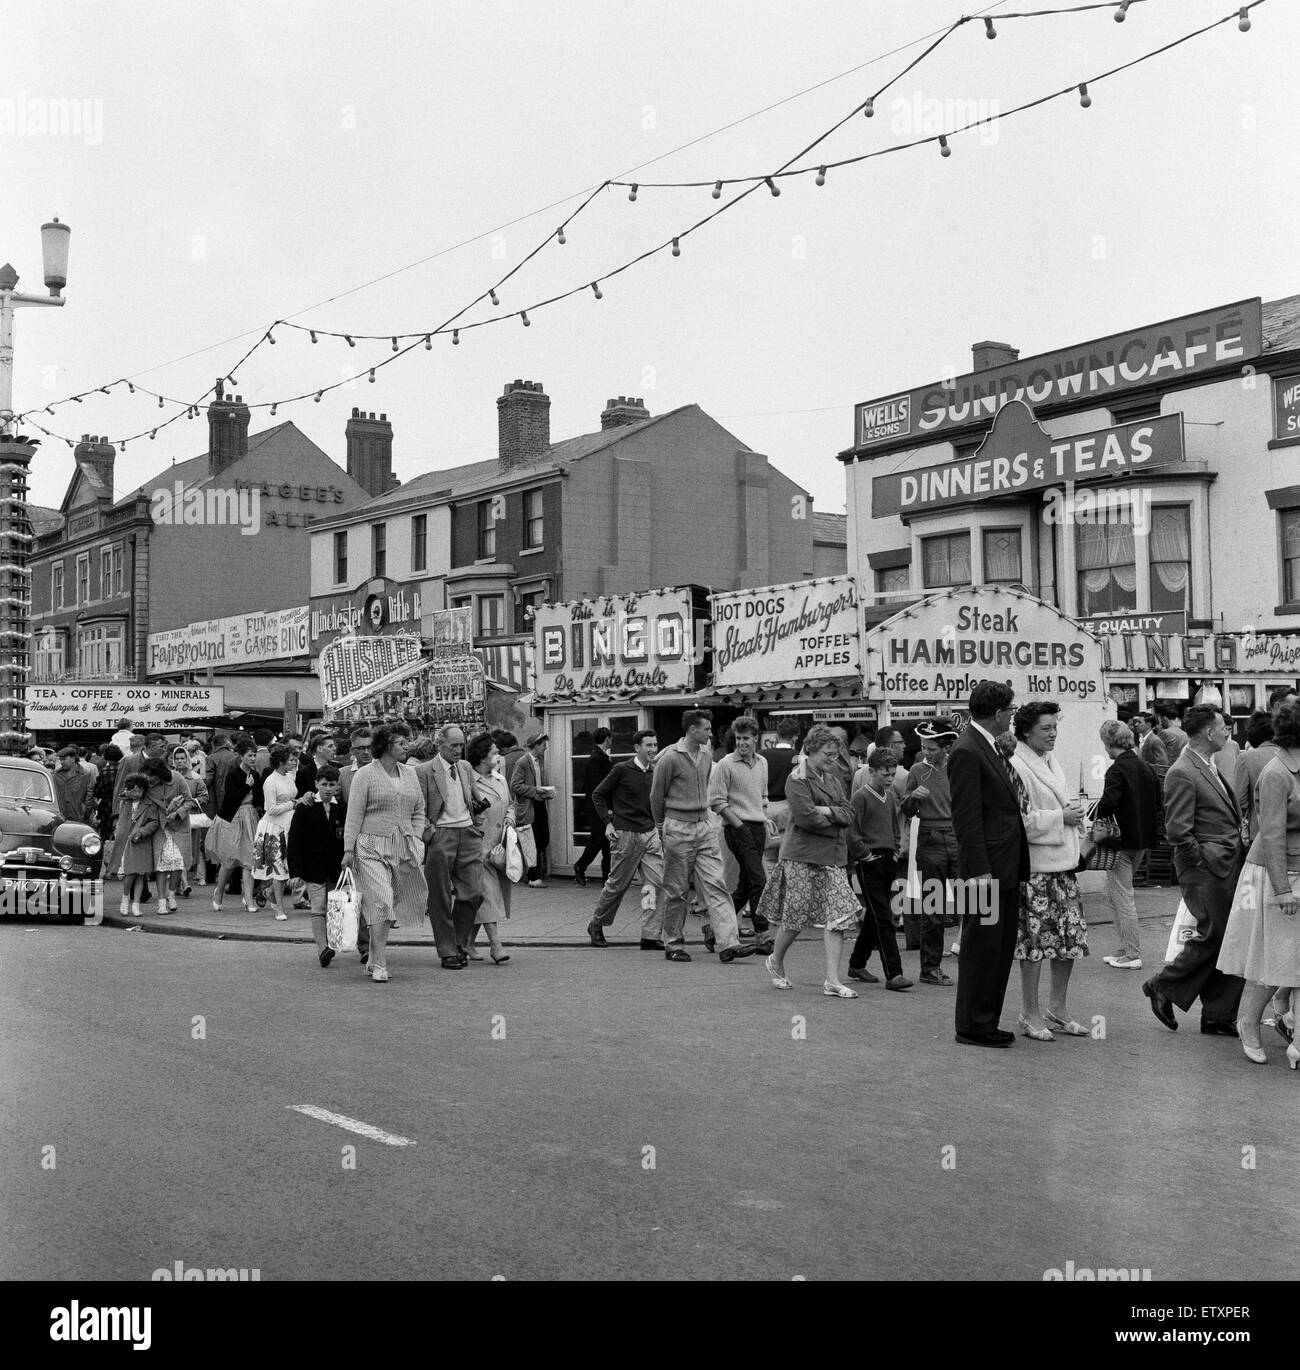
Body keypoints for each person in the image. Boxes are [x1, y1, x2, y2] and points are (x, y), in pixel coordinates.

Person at [1142, 705, 1245, 1037]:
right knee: (1215, 933)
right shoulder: (1182, 771)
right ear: (1208, 732)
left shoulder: (1207, 765)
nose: (1228, 731)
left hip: (1224, 863)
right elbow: (1178, 830)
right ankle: (1163, 985)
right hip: (1206, 867)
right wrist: (1201, 860)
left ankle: (1218, 1014)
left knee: (1230, 936)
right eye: (1222, 726)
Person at [1217, 700, 1300, 1066]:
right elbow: (1272, 836)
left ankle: (1284, 1014)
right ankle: (1248, 1022)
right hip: (1275, 871)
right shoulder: (1277, 773)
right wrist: (1282, 888)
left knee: (1290, 958)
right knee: (1274, 957)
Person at [950, 680, 1031, 1049]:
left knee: (998, 948)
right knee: (981, 948)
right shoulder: (968, 750)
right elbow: (966, 819)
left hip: (1004, 866)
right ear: (999, 714)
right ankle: (972, 1025)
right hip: (984, 871)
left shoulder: (988, 746)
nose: (1013, 717)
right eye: (1011, 711)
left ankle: (986, 1020)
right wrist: (980, 870)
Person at [756, 723, 863, 996]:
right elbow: (806, 818)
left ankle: (832, 981)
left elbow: (849, 812)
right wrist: (836, 819)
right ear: (812, 749)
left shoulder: (833, 779)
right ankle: (776, 960)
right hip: (802, 856)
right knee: (795, 918)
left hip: (832, 857)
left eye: (835, 754)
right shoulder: (797, 778)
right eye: (828, 753)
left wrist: (827, 810)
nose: (832, 759)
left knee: (839, 915)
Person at [1006, 702, 1089, 1041]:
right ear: (1026, 731)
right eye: (1046, 728)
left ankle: (1058, 1007)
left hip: (1063, 866)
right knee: (1035, 944)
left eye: (1055, 727)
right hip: (1037, 867)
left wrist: (1068, 813)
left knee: (1069, 940)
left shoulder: (1049, 761)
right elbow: (1018, 820)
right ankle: (1029, 1012)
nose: (1053, 733)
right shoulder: (1015, 764)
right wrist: (1061, 818)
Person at [651, 708, 753, 964]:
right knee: (677, 890)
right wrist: (661, 827)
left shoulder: (706, 754)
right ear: (692, 730)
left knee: (717, 885)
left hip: (703, 826)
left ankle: (729, 942)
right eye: (706, 729)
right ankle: (673, 943)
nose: (711, 733)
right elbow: (656, 796)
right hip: (678, 827)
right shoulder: (669, 758)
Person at [342, 723, 428, 983]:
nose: (406, 747)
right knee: (381, 899)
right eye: (401, 743)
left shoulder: (410, 774)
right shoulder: (365, 775)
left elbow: (419, 810)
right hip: (369, 845)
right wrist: (348, 849)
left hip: (402, 847)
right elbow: (354, 814)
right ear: (387, 746)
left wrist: (416, 838)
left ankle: (371, 958)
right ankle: (380, 963)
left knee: (389, 902)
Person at [586, 729, 667, 949]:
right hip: (626, 835)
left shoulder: (655, 772)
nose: (653, 749)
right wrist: (608, 823)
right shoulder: (621, 769)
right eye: (648, 745)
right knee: (617, 886)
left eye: (655, 745)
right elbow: (598, 795)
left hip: (650, 834)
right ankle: (597, 924)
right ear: (637, 748)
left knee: (656, 884)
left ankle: (650, 935)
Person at [1095, 720, 1161, 971]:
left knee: (1121, 897)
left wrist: (1100, 815)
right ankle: (1124, 948)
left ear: (1110, 743)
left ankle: (1132, 953)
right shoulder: (1146, 767)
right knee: (1112, 894)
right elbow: (1157, 804)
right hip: (1142, 839)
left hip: (1120, 842)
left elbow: (1108, 804)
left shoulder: (1116, 770)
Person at [416, 724, 483, 971]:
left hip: (467, 832)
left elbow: (472, 798)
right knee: (440, 896)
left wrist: (476, 820)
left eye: (461, 745)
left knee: (474, 892)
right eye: (453, 745)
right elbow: (417, 809)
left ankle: (456, 942)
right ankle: (447, 950)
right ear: (439, 743)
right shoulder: (423, 771)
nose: (458, 750)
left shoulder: (465, 767)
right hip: (440, 835)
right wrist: (429, 834)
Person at [898, 719, 960, 987]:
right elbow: (907, 809)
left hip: (957, 836)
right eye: (924, 747)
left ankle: (974, 961)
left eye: (932, 748)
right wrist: (913, 798)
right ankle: (930, 968)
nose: (926, 752)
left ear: (946, 746)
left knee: (974, 902)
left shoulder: (959, 768)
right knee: (933, 907)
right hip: (931, 838)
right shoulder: (916, 769)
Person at [846, 748, 912, 990]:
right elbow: (852, 831)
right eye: (885, 774)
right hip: (869, 861)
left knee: (876, 915)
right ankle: (894, 973)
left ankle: (857, 963)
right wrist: (863, 854)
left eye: (892, 774)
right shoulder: (860, 797)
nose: (889, 778)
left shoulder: (891, 796)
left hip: (887, 859)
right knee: (884, 916)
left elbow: (895, 826)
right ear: (871, 771)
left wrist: (896, 850)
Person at [708, 715, 775, 947]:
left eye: (746, 738)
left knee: (747, 884)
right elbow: (716, 801)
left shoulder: (763, 763)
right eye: (738, 738)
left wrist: (764, 815)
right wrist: (738, 824)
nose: (742, 743)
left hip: (758, 827)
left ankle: (714, 928)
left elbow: (763, 794)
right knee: (759, 880)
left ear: (756, 738)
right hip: (737, 828)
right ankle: (763, 935)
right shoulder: (726, 764)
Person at [288, 763, 358, 969]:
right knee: (318, 907)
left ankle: (333, 942)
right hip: (314, 868)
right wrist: (295, 872)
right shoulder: (305, 807)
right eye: (324, 784)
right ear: (316, 784)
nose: (328, 789)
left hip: (337, 868)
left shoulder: (342, 808)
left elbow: (348, 835)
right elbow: (295, 841)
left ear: (337, 786)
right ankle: (322, 948)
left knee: (336, 908)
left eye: (332, 784)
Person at [466, 732, 512, 964]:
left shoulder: (500, 780)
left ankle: (466, 941)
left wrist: (511, 819)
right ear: (482, 756)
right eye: (494, 752)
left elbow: (510, 805)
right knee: (488, 894)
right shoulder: (468, 780)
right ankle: (496, 945)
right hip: (476, 844)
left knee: (482, 897)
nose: (498, 755)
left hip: (499, 846)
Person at [1234, 691, 1298, 840]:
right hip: (1293, 836)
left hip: (1259, 834)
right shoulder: (1291, 756)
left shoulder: (1246, 758)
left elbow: (1239, 802)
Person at [209, 739, 261, 913]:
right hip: (233, 817)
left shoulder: (256, 775)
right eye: (249, 755)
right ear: (241, 756)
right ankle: (219, 892)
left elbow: (258, 799)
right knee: (229, 860)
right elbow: (231, 799)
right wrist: (247, 786)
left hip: (250, 816)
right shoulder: (233, 775)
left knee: (249, 861)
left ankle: (248, 899)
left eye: (254, 755)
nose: (253, 758)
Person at [253, 744, 298, 920]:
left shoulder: (288, 776)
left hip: (289, 825)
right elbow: (270, 809)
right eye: (291, 760)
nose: (294, 763)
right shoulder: (270, 781)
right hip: (274, 828)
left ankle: (269, 892)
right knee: (278, 869)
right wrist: (293, 804)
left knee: (287, 868)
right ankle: (279, 908)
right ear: (281, 762)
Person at [108, 773, 160, 917]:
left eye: (140, 790)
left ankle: (136, 905)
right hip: (126, 841)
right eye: (134, 789)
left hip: (141, 842)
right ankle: (125, 899)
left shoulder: (149, 803)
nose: (137, 793)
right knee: (130, 873)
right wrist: (127, 793)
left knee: (140, 875)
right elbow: (120, 796)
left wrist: (142, 832)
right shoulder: (125, 801)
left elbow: (154, 822)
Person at [509, 733, 555, 887]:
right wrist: (536, 790)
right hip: (529, 807)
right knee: (533, 842)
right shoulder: (523, 762)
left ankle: (530, 872)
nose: (546, 747)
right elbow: (515, 785)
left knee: (543, 839)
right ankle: (533, 877)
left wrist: (545, 792)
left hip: (539, 804)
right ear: (535, 745)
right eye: (543, 745)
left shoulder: (539, 760)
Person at [573, 728, 614, 889]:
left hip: (599, 807)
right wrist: (607, 808)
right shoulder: (596, 759)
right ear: (607, 739)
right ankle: (581, 866)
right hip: (598, 808)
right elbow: (598, 787)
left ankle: (606, 878)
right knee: (598, 840)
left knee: (606, 844)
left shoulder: (599, 757)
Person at [171, 746, 207, 892]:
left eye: (182, 758)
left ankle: (197, 877)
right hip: (174, 819)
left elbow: (205, 797)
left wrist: (190, 802)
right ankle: (184, 883)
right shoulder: (170, 776)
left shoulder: (195, 777)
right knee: (177, 850)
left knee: (192, 849)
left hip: (190, 818)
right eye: (177, 758)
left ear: (187, 759)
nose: (180, 761)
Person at [53, 746, 94, 822]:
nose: (62, 762)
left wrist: (85, 811)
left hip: (78, 815)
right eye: (60, 760)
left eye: (64, 759)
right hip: (61, 815)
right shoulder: (56, 774)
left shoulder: (84, 774)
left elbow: (89, 794)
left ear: (73, 758)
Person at [93, 743, 123, 844]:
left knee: (106, 835)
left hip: (107, 807)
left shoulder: (104, 772)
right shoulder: (124, 770)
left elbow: (97, 792)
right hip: (123, 806)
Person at [338, 727, 372, 804]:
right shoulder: (342, 774)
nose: (366, 752)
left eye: (369, 747)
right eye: (361, 748)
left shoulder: (384, 771)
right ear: (352, 751)